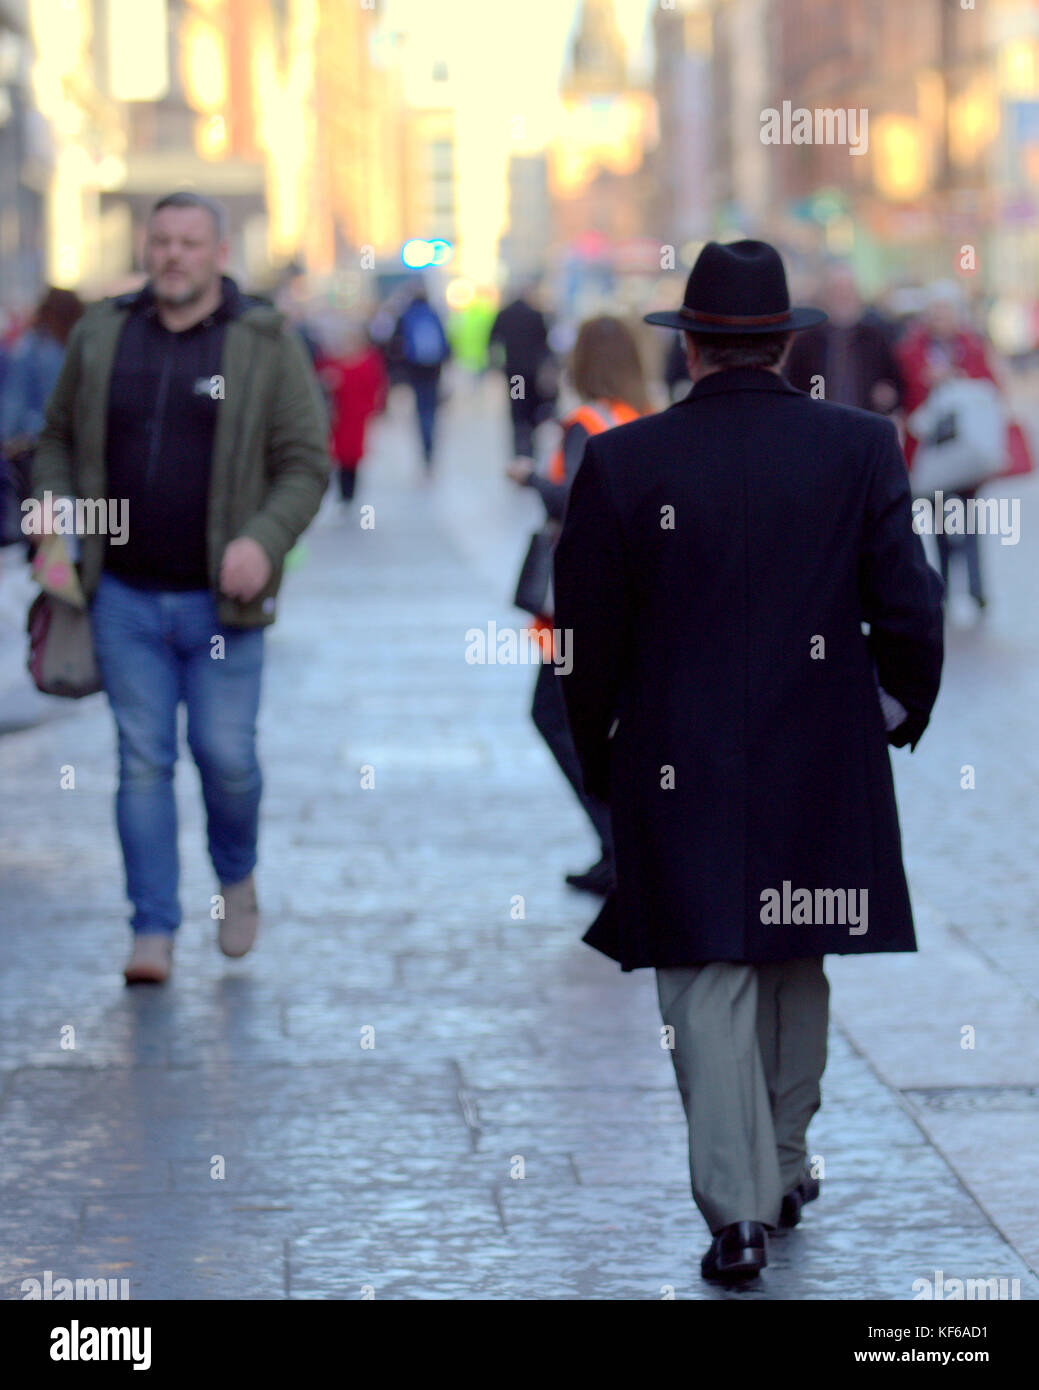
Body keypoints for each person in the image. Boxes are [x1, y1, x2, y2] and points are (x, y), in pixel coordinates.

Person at [553, 241, 943, 1283]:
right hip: (819, 743)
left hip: (676, 756)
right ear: (783, 345)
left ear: (689, 352)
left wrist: (603, 757)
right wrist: (892, 710)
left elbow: (583, 639)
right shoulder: (860, 446)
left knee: (705, 979)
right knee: (792, 956)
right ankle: (777, 1165)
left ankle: (736, 1213)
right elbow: (907, 603)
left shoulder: (624, 462)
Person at [32, 191, 329, 985]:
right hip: (121, 594)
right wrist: (58, 507)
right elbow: (55, 440)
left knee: (226, 757)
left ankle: (236, 878)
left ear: (219, 251)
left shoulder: (262, 342)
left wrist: (264, 542)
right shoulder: (102, 333)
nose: (173, 255)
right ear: (145, 247)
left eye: (190, 242)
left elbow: (307, 461)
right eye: (160, 241)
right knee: (141, 760)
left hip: (222, 602)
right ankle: (152, 929)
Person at [507, 316, 649, 898]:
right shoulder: (641, 418)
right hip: (631, 596)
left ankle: (620, 846)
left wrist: (532, 480)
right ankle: (618, 847)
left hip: (583, 600)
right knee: (600, 722)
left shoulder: (584, 423)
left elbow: (580, 500)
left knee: (556, 716)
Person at [897, 281, 1002, 612]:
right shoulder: (911, 350)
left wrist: (956, 377)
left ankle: (976, 587)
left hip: (967, 450)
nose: (940, 317)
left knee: (969, 524)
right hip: (932, 453)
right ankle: (943, 587)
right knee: (939, 526)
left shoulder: (972, 347)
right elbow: (904, 393)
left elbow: (990, 388)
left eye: (945, 311)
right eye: (935, 311)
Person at [1, 287, 84, 514]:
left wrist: (8, 436)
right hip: (70, 452)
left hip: (36, 448)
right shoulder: (79, 346)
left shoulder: (34, 347)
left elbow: (14, 400)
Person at [783, 263, 902, 414]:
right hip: (820, 425)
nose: (843, 297)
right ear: (824, 296)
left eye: (848, 291)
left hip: (866, 425)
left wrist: (889, 395)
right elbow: (794, 386)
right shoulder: (806, 342)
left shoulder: (877, 338)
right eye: (836, 291)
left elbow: (895, 383)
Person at [315, 321, 386, 504]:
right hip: (339, 414)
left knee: (352, 455)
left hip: (356, 414)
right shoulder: (333, 359)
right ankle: (343, 492)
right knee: (337, 453)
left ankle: (350, 493)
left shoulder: (367, 359)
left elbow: (374, 386)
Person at [490, 286, 558, 457]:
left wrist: (497, 364)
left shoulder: (504, 315)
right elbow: (545, 345)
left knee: (518, 408)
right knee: (531, 408)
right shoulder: (535, 315)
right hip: (533, 372)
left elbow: (493, 341)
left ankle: (521, 446)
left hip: (516, 374)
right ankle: (530, 442)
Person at [392, 285, 450, 471]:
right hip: (433, 368)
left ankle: (425, 443)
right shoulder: (433, 314)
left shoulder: (407, 315)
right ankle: (430, 440)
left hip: (415, 369)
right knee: (431, 407)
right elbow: (446, 342)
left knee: (421, 407)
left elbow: (397, 345)